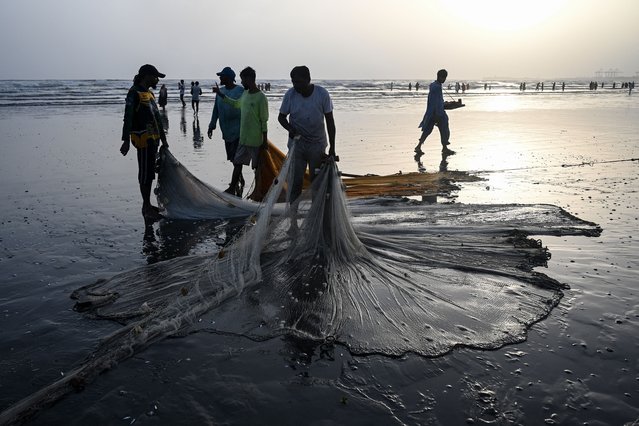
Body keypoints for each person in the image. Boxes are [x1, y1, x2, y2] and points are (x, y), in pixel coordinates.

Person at [278, 65, 336, 204]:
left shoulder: (322, 94)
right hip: (297, 146)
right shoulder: (290, 94)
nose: (295, 85)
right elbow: (281, 117)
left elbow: (330, 121)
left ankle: (315, 216)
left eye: (298, 82)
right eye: (293, 82)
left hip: (317, 145)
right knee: (295, 183)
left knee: (316, 182)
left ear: (308, 79)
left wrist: (332, 148)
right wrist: (290, 129)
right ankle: (293, 221)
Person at [120, 64, 169, 221]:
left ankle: (148, 205)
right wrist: (125, 140)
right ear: (146, 76)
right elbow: (128, 117)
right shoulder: (134, 93)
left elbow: (157, 119)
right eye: (155, 77)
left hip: (153, 139)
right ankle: (146, 207)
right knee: (145, 174)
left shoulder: (149, 94)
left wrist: (164, 139)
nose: (156, 80)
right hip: (142, 140)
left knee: (150, 173)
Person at [212, 67, 268, 195]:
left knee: (257, 167)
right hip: (243, 138)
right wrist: (221, 95)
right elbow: (236, 104)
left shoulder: (261, 98)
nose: (241, 83)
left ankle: (258, 191)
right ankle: (232, 188)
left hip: (255, 140)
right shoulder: (245, 94)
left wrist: (264, 141)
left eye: (243, 80)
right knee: (237, 163)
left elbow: (264, 121)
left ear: (249, 79)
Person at [208, 66, 245, 196]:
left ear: (229, 78)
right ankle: (239, 179)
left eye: (222, 76)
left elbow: (237, 104)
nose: (220, 78)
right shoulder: (220, 91)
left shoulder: (240, 91)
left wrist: (220, 94)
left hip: (238, 131)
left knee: (237, 160)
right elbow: (216, 110)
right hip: (226, 131)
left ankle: (233, 186)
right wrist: (212, 125)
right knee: (232, 159)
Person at [414, 69, 454, 156]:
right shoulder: (437, 87)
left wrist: (444, 103)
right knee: (444, 129)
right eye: (443, 77)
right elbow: (436, 102)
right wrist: (438, 113)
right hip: (437, 112)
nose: (444, 79)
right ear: (440, 77)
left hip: (431, 112)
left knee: (427, 130)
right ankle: (444, 148)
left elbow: (436, 100)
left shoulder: (434, 85)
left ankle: (418, 146)